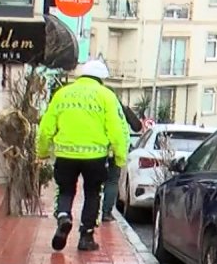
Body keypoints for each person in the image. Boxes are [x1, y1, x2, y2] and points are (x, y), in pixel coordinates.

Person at [35, 60, 129, 252]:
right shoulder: (106, 96)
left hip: (65, 154)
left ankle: (63, 217)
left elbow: (45, 128)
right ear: (102, 78)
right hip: (95, 156)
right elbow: (117, 130)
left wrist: (42, 151)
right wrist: (120, 157)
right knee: (93, 193)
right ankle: (86, 237)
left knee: (66, 190)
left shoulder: (62, 94)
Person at [102, 103, 143, 222]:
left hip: (98, 147)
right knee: (112, 180)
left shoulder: (96, 103)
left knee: (93, 183)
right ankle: (106, 212)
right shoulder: (120, 106)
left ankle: (93, 213)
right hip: (117, 148)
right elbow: (137, 126)